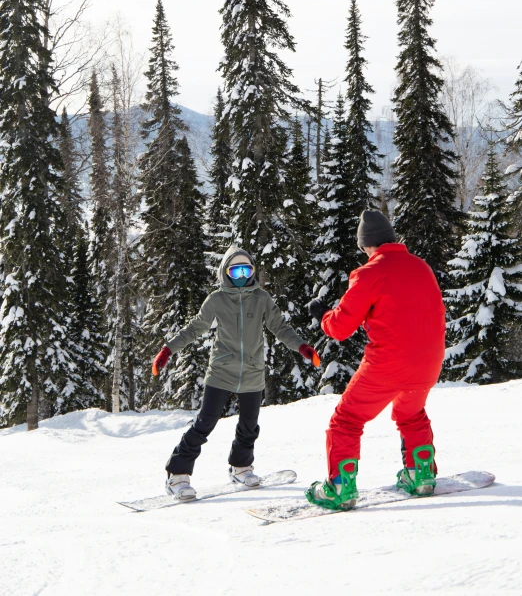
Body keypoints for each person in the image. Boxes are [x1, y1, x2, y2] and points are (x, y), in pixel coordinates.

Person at [152, 245, 320, 500]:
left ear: (252, 271)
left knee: (249, 426)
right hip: (221, 370)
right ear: (225, 273)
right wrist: (167, 349)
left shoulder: (261, 298)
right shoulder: (217, 299)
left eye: (246, 269)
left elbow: (280, 327)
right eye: (235, 270)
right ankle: (177, 474)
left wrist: (302, 347)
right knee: (204, 424)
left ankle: (241, 467)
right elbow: (194, 328)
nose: (241, 275)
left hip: (253, 371)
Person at [306, 210, 446, 511]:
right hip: (430, 362)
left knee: (346, 420)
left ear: (366, 244)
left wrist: (322, 317)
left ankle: (340, 488)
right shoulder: (421, 267)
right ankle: (420, 475)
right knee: (411, 414)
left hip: (389, 363)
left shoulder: (369, 273)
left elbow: (340, 328)